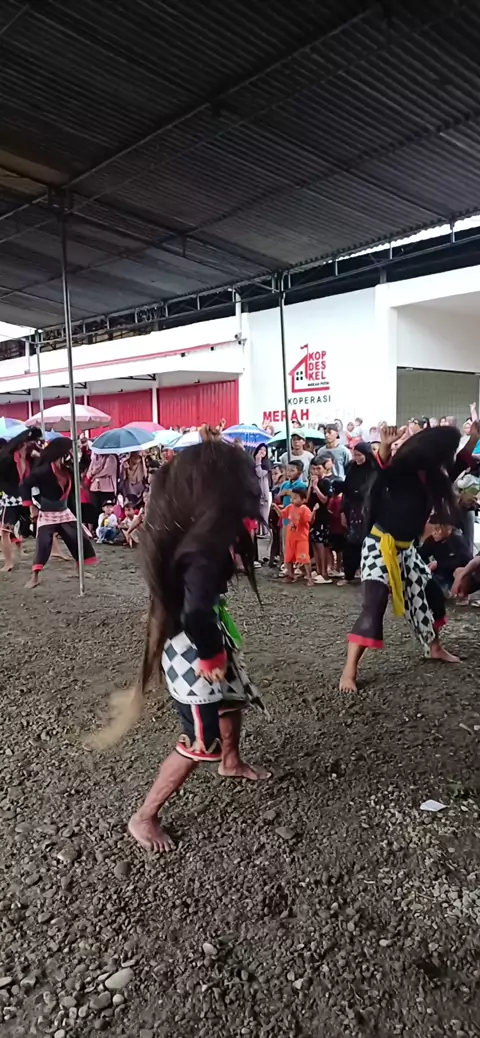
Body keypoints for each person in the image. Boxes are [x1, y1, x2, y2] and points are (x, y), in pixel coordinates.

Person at [86, 429, 270, 853]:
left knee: (231, 700)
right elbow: (194, 612)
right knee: (199, 740)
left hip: (203, 637)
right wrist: (211, 655)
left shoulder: (193, 530)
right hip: (192, 647)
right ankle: (144, 816)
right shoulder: (202, 546)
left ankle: (231, 761)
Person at [339, 425, 462, 694]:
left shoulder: (433, 477)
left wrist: (475, 435)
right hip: (379, 546)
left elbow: (462, 461)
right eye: (449, 451)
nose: (451, 456)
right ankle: (349, 670)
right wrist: (384, 445)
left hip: (406, 550)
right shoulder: (404, 471)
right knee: (374, 605)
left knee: (432, 594)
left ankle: (434, 647)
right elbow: (383, 468)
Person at [20, 437, 97, 588]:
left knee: (79, 539)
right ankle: (34, 577)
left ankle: (79, 570)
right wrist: (31, 506)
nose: (72, 453)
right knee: (43, 544)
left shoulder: (68, 469)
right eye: (70, 450)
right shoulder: (44, 471)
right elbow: (24, 486)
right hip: (47, 514)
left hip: (64, 511)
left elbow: (81, 470)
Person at [0, 427, 42, 572]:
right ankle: (9, 562)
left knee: (43, 523)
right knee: (6, 530)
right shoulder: (9, 458)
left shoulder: (30, 458)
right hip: (13, 496)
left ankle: (54, 551)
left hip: (25, 496)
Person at [340, 442, 377, 584]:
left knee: (369, 542)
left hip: (369, 511)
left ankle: (367, 573)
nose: (356, 458)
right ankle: (349, 574)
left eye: (359, 455)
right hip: (353, 511)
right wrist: (343, 511)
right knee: (351, 542)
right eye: (354, 455)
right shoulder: (352, 468)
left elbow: (371, 490)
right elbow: (346, 492)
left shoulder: (373, 470)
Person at [419, 519, 472, 597]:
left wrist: (439, 564)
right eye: (433, 530)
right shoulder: (432, 539)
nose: (434, 533)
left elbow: (466, 560)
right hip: (440, 574)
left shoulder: (456, 539)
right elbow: (422, 554)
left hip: (454, 574)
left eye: (437, 529)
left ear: (447, 529)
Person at [274, 487, 314, 585]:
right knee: (288, 557)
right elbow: (282, 515)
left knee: (304, 558)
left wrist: (313, 513)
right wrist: (275, 507)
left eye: (295, 497)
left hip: (301, 538)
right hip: (291, 537)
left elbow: (309, 520)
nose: (293, 499)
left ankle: (309, 577)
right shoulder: (290, 507)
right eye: (292, 497)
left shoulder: (304, 509)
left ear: (303, 500)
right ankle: (290, 575)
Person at [306, 459, 332, 583]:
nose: (316, 471)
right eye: (313, 468)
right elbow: (306, 499)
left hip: (322, 517)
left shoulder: (326, 482)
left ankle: (324, 572)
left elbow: (324, 500)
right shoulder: (311, 482)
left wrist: (316, 487)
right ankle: (318, 570)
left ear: (324, 469)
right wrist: (311, 486)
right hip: (312, 517)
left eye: (318, 468)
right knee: (314, 543)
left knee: (321, 544)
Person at [86, 452, 118, 517]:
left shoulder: (111, 458)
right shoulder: (94, 458)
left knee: (107, 511)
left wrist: (95, 476)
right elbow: (88, 473)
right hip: (94, 489)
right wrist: (92, 473)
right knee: (95, 511)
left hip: (107, 489)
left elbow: (107, 472)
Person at [252, 443, 272, 536]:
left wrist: (258, 462)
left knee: (263, 514)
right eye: (261, 449)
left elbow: (259, 473)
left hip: (263, 492)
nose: (262, 452)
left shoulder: (266, 464)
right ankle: (257, 531)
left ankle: (264, 532)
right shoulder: (253, 462)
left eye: (264, 450)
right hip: (255, 491)